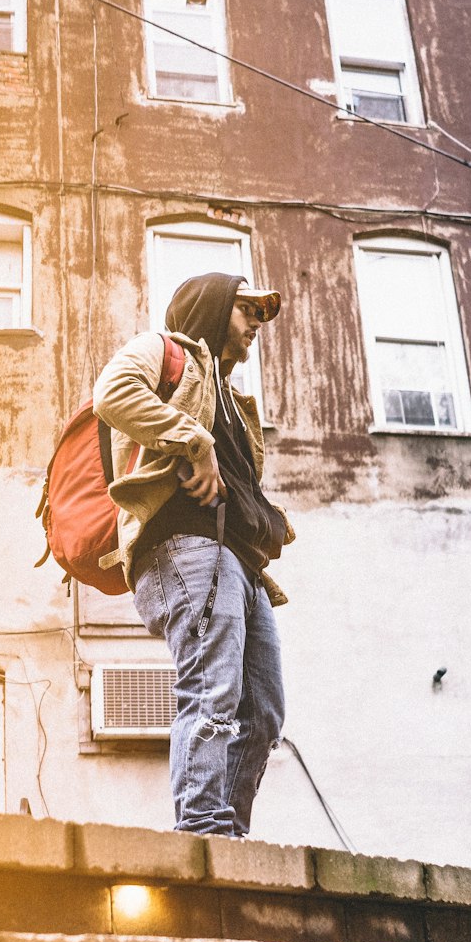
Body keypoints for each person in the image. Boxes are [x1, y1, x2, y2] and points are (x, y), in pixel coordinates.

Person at [92, 272, 294, 836]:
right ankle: (203, 830)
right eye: (248, 308)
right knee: (212, 687)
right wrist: (193, 441)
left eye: (263, 313)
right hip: (185, 547)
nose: (258, 322)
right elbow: (113, 395)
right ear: (211, 305)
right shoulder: (162, 350)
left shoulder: (231, 398)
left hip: (240, 563)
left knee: (263, 710)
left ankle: (226, 834)